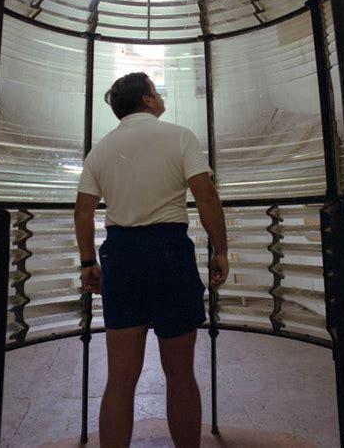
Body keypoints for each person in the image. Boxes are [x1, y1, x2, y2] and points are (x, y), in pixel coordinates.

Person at [74, 71, 229, 448]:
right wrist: (221, 249)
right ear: (146, 100)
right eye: (156, 92)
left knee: (120, 379)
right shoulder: (179, 136)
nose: (160, 97)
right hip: (169, 253)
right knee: (179, 374)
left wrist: (88, 263)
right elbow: (206, 197)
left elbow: (83, 212)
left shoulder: (102, 149)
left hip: (121, 256)